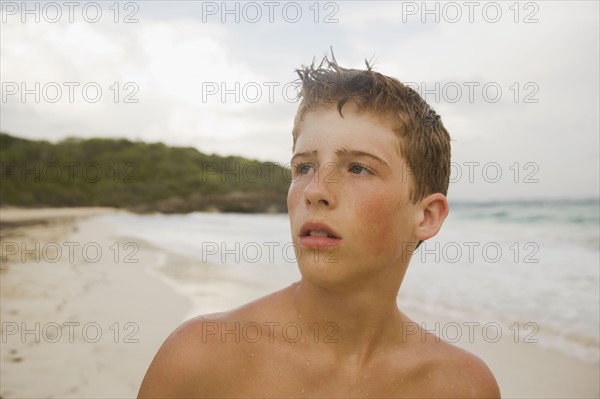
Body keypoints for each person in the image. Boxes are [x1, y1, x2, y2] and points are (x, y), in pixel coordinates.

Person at [138, 54, 500, 398]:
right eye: (304, 167)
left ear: (427, 216)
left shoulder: (462, 386)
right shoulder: (201, 356)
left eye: (358, 168)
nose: (315, 191)